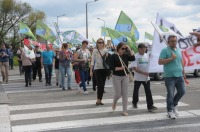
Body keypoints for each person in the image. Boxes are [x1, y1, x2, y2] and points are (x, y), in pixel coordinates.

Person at [158, 35, 186, 119]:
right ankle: (170, 110)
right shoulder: (165, 50)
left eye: (175, 41)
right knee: (170, 94)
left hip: (179, 75)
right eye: (172, 41)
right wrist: (171, 58)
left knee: (182, 91)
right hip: (169, 77)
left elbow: (181, 61)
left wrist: (183, 72)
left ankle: (174, 105)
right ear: (168, 42)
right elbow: (160, 62)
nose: (174, 42)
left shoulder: (179, 50)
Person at [110, 42, 135, 116]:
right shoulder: (113, 56)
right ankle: (114, 102)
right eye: (122, 48)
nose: (124, 50)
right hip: (116, 77)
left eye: (125, 48)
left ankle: (124, 110)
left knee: (125, 94)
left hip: (125, 76)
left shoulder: (125, 55)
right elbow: (111, 67)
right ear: (118, 48)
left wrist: (129, 49)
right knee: (118, 94)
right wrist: (120, 68)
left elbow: (133, 58)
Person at [131, 43, 157, 112]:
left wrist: (150, 71)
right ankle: (134, 102)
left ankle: (150, 106)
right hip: (138, 78)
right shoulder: (135, 56)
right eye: (142, 48)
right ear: (139, 49)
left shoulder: (147, 55)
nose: (143, 50)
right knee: (136, 91)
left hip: (146, 78)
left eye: (144, 48)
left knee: (148, 91)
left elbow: (151, 64)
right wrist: (143, 73)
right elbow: (135, 68)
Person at [90, 38, 109, 105]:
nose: (100, 44)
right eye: (99, 42)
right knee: (100, 84)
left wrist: (107, 56)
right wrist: (91, 71)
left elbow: (108, 61)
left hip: (104, 69)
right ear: (97, 43)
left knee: (102, 85)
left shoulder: (106, 50)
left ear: (103, 43)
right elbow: (92, 61)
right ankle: (98, 99)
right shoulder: (95, 50)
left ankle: (100, 99)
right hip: (97, 69)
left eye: (102, 42)